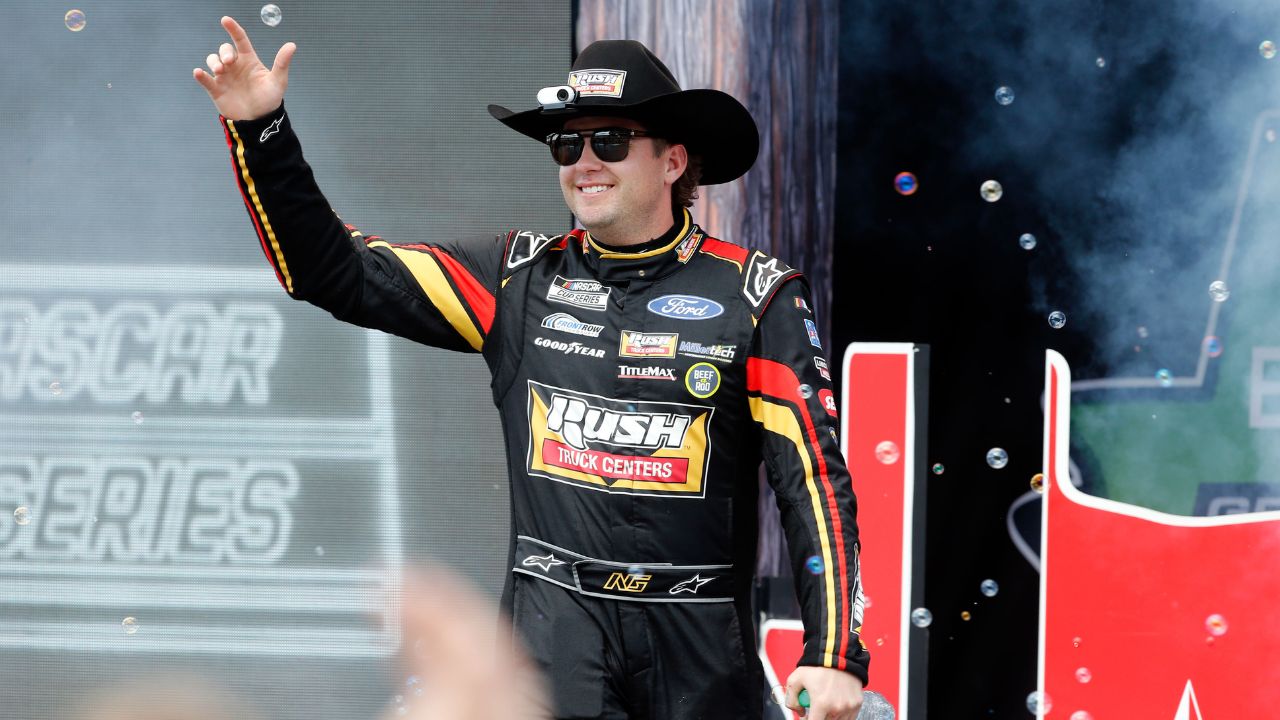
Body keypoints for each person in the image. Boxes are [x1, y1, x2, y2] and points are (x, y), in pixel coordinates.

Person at [194, 17, 868, 720]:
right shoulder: (517, 276)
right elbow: (333, 272)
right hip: (554, 638)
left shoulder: (758, 294)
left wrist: (834, 656)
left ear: (673, 162)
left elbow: (814, 482)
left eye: (610, 140)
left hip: (696, 642)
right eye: (567, 142)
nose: (584, 161)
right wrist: (262, 131)